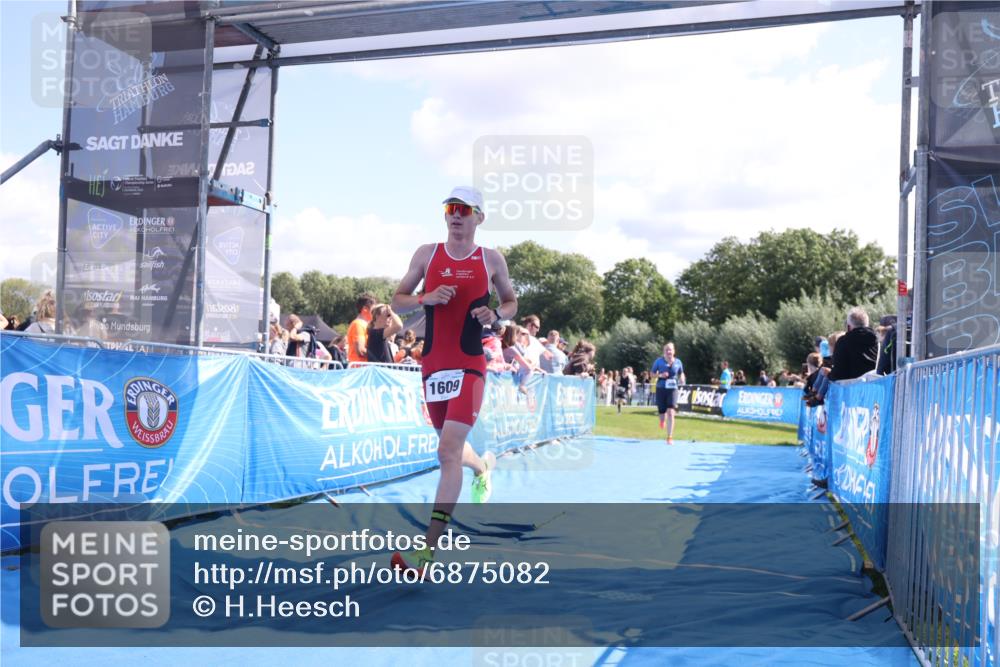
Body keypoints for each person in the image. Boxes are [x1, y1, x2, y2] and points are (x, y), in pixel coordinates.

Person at [389, 185, 517, 574]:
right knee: (453, 449)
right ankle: (481, 468)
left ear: (479, 216)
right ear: (445, 215)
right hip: (433, 365)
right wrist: (424, 298)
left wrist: (496, 316)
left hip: (469, 365)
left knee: (445, 453)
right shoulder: (427, 255)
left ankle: (425, 554)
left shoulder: (491, 259)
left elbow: (510, 302)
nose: (456, 215)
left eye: (464, 209)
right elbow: (397, 300)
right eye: (450, 208)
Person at [830, 307, 879, 381]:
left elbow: (838, 374)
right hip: (873, 387)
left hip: (850, 388)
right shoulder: (877, 341)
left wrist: (828, 375)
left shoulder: (843, 341)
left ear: (849, 327)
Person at [651, 342, 685, 445]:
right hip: (661, 389)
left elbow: (681, 373)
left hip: (673, 389)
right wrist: (660, 375)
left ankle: (669, 437)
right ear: (664, 352)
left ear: (674, 351)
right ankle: (662, 420)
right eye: (667, 350)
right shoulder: (658, 361)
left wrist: (682, 378)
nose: (669, 351)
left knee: (671, 412)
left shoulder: (678, 362)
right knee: (662, 412)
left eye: (670, 349)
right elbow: (651, 374)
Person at [346, 293, 376, 364]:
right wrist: (378, 357)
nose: (376, 312)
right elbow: (361, 350)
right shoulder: (358, 324)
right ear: (365, 309)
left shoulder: (364, 324)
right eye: (374, 310)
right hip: (359, 369)